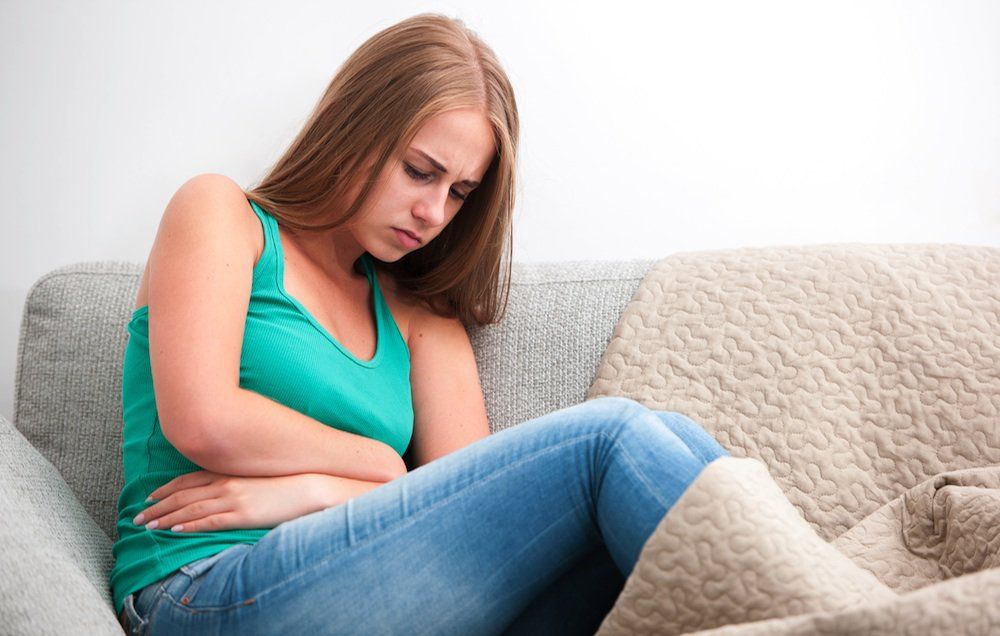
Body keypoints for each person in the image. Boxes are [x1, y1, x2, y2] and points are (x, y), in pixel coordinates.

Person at [109, 12, 730, 635]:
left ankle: (807, 605)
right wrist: (380, 464)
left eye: (459, 192)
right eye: (419, 171)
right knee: (609, 439)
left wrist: (318, 490)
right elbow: (204, 419)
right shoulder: (222, 215)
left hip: (375, 599)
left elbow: (462, 509)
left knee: (671, 440)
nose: (434, 211)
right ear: (354, 130)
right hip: (198, 591)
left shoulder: (418, 311)